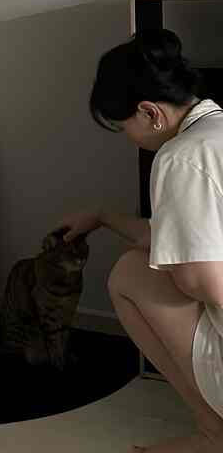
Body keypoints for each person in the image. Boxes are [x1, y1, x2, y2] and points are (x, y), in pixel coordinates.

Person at [60, 28, 223, 453]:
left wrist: (174, 270)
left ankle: (215, 435)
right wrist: (102, 218)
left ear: (150, 112)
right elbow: (182, 236)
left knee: (131, 271)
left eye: (123, 126)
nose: (130, 138)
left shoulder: (182, 156)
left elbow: (202, 280)